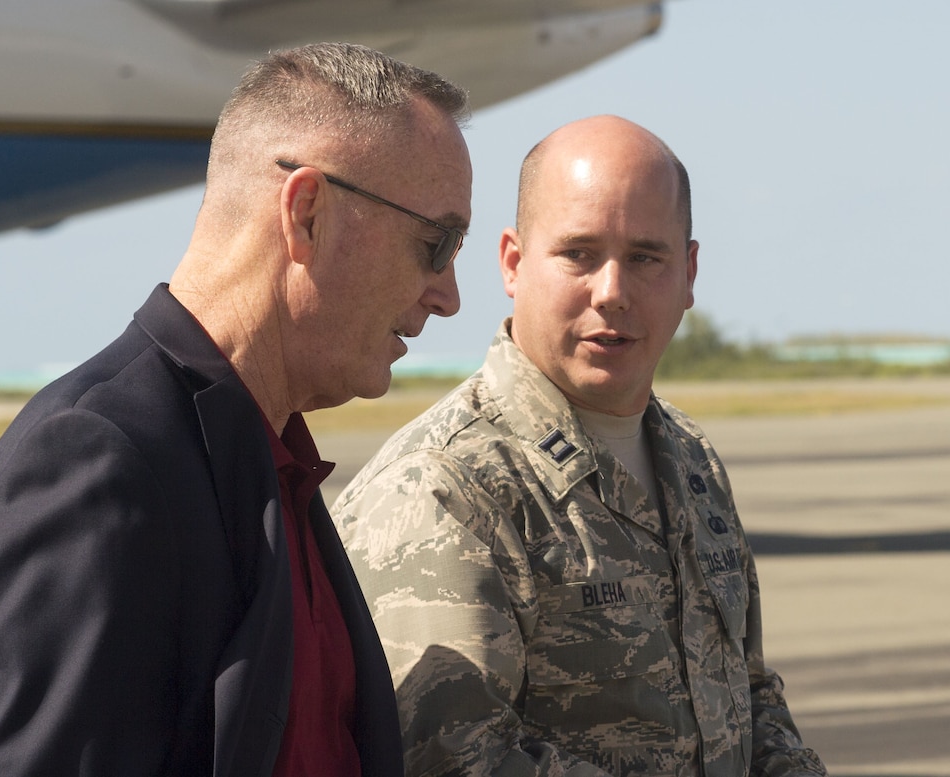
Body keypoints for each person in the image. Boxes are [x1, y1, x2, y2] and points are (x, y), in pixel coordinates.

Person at [0, 42, 471, 777]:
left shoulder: (267, 456)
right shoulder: (95, 466)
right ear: (307, 214)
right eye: (436, 243)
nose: (448, 296)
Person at [333, 115, 827, 776]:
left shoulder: (691, 460)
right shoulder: (444, 486)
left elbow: (747, 693)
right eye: (580, 254)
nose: (613, 291)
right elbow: (456, 758)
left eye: (646, 257)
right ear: (512, 263)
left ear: (689, 273)